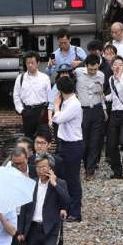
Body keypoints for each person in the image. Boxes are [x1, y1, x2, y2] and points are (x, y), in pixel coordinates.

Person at [50, 76, 82, 221]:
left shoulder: (73, 104)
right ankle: (67, 208)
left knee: (73, 179)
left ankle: (75, 212)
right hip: (65, 143)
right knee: (64, 177)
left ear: (60, 90)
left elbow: (58, 119)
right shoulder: (68, 102)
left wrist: (56, 105)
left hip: (73, 145)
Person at [6, 148, 33, 245]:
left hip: (34, 217)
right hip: (16, 217)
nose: (18, 167)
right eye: (15, 164)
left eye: (21, 163)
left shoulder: (35, 171)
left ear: (27, 159)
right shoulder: (7, 175)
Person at [74, 55, 106, 180]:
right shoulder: (78, 73)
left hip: (97, 109)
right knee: (84, 142)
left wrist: (104, 109)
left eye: (95, 69)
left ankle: (90, 170)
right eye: (90, 69)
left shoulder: (101, 75)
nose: (93, 72)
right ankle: (85, 165)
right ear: (85, 66)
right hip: (83, 111)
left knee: (95, 141)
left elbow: (101, 92)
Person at [12, 52, 51, 139]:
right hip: (27, 112)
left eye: (32, 63)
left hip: (42, 112)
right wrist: (21, 110)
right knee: (29, 139)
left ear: (38, 63)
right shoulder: (20, 78)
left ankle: (42, 153)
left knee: (43, 137)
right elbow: (16, 96)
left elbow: (49, 97)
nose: (30, 65)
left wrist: (49, 114)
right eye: (28, 63)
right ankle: (32, 153)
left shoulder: (45, 78)